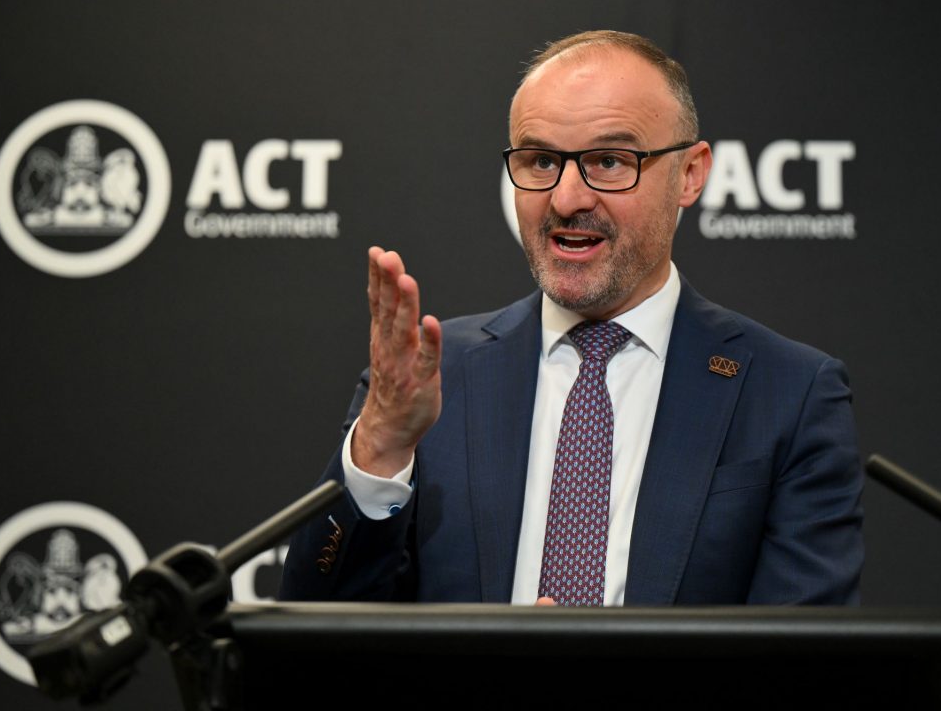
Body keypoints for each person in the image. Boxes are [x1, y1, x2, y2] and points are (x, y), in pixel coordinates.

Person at [280, 30, 863, 606]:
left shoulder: (790, 394)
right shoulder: (429, 381)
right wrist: (379, 450)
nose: (566, 198)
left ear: (690, 173)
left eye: (609, 161)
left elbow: (802, 664)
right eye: (540, 161)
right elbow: (315, 633)